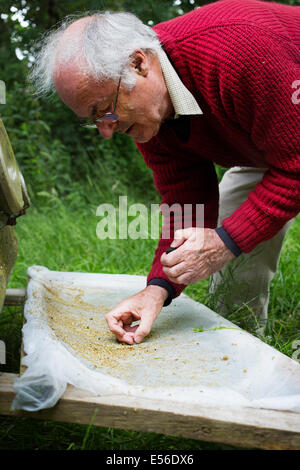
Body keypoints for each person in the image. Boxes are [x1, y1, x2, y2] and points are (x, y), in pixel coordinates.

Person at [31, 0, 300, 345]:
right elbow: (185, 197)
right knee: (236, 256)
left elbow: (295, 169)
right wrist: (156, 290)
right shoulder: (148, 116)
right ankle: (240, 357)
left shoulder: (238, 51)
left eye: (105, 111)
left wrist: (223, 243)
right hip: (274, 144)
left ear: (139, 63)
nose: (106, 131)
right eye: (93, 120)